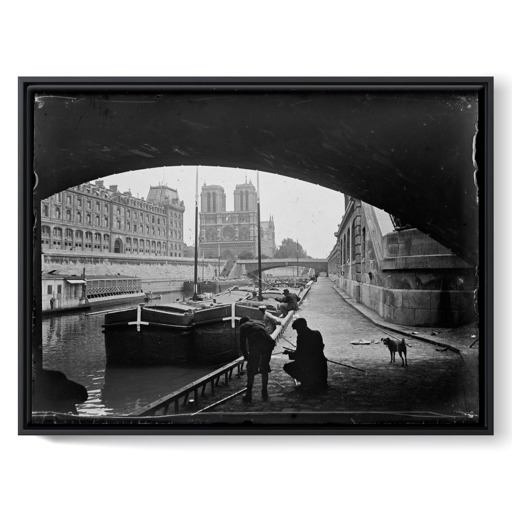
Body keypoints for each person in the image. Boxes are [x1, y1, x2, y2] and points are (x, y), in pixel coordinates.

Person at [283, 317, 328, 391]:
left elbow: (299, 355)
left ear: (301, 327)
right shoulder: (317, 333)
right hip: (321, 362)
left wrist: (289, 353)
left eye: (297, 329)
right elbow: (321, 347)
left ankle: (306, 382)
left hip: (310, 365)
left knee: (287, 367)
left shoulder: (301, 337)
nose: (297, 332)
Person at [239, 316, 276, 403]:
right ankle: (264, 392)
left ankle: (249, 395)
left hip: (258, 346)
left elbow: (242, 344)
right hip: (269, 343)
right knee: (264, 368)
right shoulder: (258, 323)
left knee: (250, 370)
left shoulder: (243, 326)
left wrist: (247, 357)